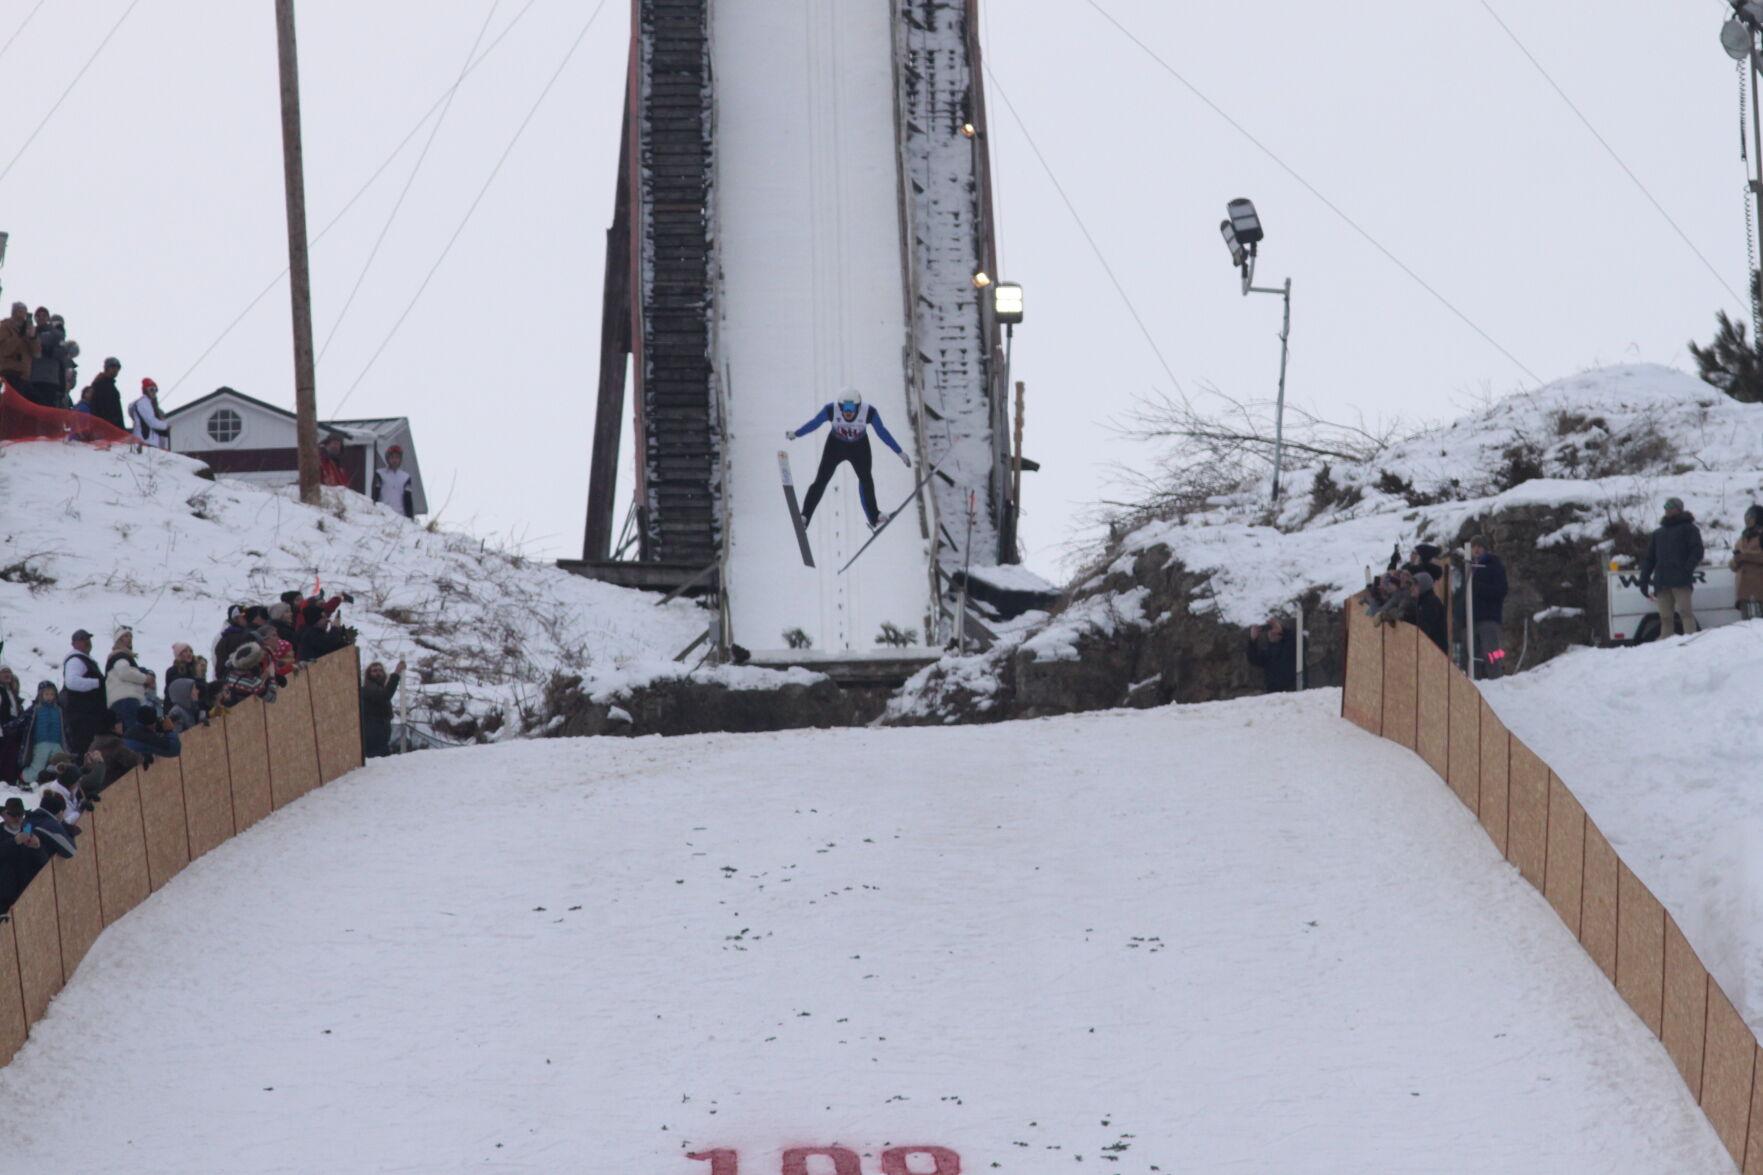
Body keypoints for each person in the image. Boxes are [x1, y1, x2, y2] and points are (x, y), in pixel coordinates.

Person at [784, 388, 911, 530]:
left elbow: (882, 432)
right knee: (821, 480)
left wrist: (900, 452)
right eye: (844, 407)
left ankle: (875, 517)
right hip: (836, 445)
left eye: (851, 408)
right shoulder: (832, 410)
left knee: (866, 480)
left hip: (859, 447)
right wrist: (797, 434)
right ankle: (805, 516)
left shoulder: (869, 412)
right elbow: (814, 423)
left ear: (858, 406)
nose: (847, 412)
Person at [1638, 497, 1704, 639]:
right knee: (1665, 618)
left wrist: (1687, 569)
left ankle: (1691, 642)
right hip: (1662, 582)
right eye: (1665, 507)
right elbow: (1650, 559)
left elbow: (1697, 551)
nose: (1667, 509)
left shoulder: (1689, 529)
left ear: (1679, 509)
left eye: (1670, 506)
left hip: (1681, 581)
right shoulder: (1658, 533)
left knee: (1685, 614)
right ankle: (1665, 647)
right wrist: (1643, 580)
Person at [61, 629, 108, 756]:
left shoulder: (85, 660)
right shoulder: (76, 660)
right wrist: (97, 683)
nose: (87, 642)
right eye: (82, 639)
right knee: (85, 751)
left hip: (88, 717)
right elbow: (71, 682)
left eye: (88, 639)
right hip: (82, 718)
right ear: (74, 644)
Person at [1467, 537, 1509, 678]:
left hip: (1489, 617)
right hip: (1471, 618)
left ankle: (1497, 681)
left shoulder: (1494, 565)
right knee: (1474, 657)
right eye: (1474, 546)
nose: (1477, 549)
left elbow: (1501, 590)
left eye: (1480, 546)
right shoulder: (1469, 566)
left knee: (1491, 654)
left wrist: (1479, 588)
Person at [15, 682, 63, 785]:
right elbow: (22, 720)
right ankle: (23, 778)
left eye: (52, 694)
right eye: (46, 694)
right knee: (38, 766)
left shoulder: (59, 709)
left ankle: (51, 781)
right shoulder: (36, 708)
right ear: (41, 695)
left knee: (58, 764)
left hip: (56, 742)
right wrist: (11, 727)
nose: (49, 697)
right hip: (41, 742)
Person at [105, 630, 155, 727]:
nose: (129, 639)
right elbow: (124, 672)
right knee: (132, 731)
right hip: (126, 699)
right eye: (125, 636)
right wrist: (146, 679)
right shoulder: (119, 655)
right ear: (118, 640)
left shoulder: (120, 656)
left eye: (130, 636)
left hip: (119, 701)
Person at [360, 659, 405, 758]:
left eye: (380, 670)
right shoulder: (367, 689)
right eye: (375, 671)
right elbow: (385, 696)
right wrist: (396, 673)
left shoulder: (379, 688)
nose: (378, 673)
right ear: (369, 674)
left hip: (383, 730)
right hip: (372, 731)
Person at [26, 306, 65, 407]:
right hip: (32, 377)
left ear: (48, 318)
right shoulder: (30, 332)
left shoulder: (56, 334)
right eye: (38, 316)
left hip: (49, 378)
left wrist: (47, 351)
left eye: (44, 315)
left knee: (46, 407)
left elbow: (62, 352)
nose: (41, 318)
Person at [1245, 618, 1297, 693]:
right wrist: (1253, 640)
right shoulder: (1267, 651)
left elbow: (1295, 641)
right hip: (1273, 691)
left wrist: (1283, 630)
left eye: (1273, 629)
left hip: (1291, 688)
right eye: (1269, 630)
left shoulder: (1290, 644)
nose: (1271, 632)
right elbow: (1253, 659)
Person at [0, 301, 39, 396]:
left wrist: (32, 337)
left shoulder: (27, 329)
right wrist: (19, 336)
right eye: (18, 311)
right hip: (8, 372)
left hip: (24, 375)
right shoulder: (4, 326)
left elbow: (37, 353)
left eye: (23, 312)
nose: (21, 316)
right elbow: (5, 350)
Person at [1732, 505, 1763, 621]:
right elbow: (1737, 559)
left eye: (1751, 516)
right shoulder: (1743, 537)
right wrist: (1734, 561)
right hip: (1744, 591)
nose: (1747, 519)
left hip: (1759, 589)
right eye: (1746, 516)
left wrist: (1745, 556)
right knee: (1747, 628)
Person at [372, 444, 416, 518]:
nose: (394, 460)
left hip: (400, 516)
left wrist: (410, 517)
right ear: (387, 459)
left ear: (400, 459)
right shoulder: (379, 474)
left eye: (397, 458)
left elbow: (408, 499)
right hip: (382, 514)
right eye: (392, 457)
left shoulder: (406, 477)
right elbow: (374, 494)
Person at [1410, 572, 1448, 653]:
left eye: (1416, 585)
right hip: (1428, 650)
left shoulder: (1431, 603)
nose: (1412, 588)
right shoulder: (1421, 602)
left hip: (1435, 651)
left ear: (1423, 586)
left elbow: (1425, 626)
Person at [129, 377, 170, 449]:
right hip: (144, 442)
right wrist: (166, 426)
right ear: (145, 390)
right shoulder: (143, 403)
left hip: (148, 442)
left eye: (155, 389)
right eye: (151, 389)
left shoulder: (150, 404)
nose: (154, 392)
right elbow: (151, 422)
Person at [87, 357, 125, 430]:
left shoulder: (111, 386)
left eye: (118, 367)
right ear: (106, 368)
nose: (116, 369)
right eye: (113, 366)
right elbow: (98, 408)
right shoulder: (99, 384)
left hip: (112, 428)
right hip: (104, 428)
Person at [0, 667, 21, 787]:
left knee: (11, 753)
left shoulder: (11, 690)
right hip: (4, 726)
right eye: (4, 672)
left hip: (12, 727)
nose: (7, 674)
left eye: (9, 672)